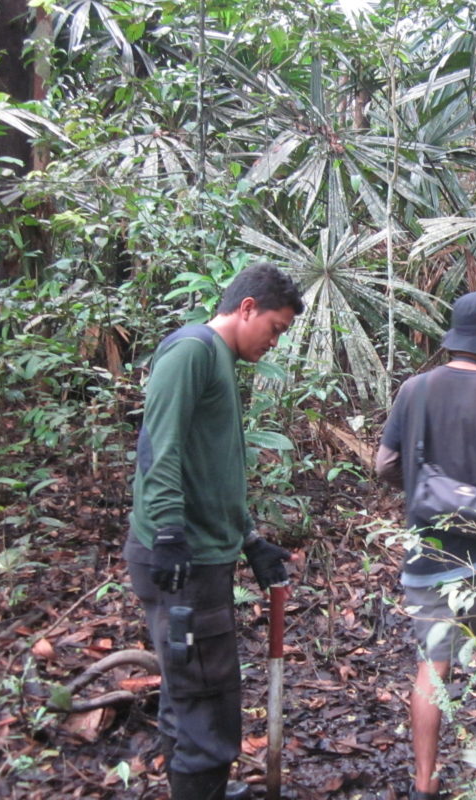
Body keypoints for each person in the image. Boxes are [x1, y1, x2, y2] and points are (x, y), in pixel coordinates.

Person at [123, 262, 304, 800]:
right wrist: (169, 532)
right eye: (275, 328)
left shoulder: (219, 360)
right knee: (207, 694)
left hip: (204, 552)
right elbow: (160, 445)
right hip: (184, 559)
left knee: (191, 689)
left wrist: (250, 541)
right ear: (247, 308)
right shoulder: (193, 351)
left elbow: (213, 467)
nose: (275, 342)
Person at [374, 290, 476, 800]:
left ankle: (424, 781)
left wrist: (425, 484)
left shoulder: (413, 389)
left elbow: (382, 465)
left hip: (427, 550)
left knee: (432, 663)